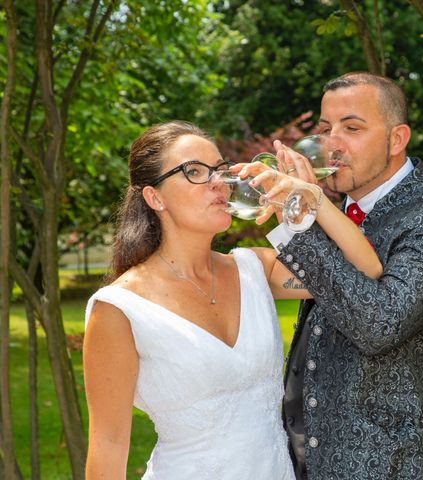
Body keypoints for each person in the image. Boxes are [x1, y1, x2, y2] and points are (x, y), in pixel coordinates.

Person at [82, 120, 382, 479]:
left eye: (221, 170)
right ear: (154, 197)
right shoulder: (119, 309)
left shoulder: (256, 269)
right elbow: (109, 445)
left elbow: (363, 271)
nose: (218, 183)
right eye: (193, 171)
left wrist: (307, 196)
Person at [274, 72, 423, 479]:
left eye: (352, 128)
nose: (332, 143)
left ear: (396, 139)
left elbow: (378, 323)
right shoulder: (339, 217)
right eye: (325, 128)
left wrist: (303, 211)